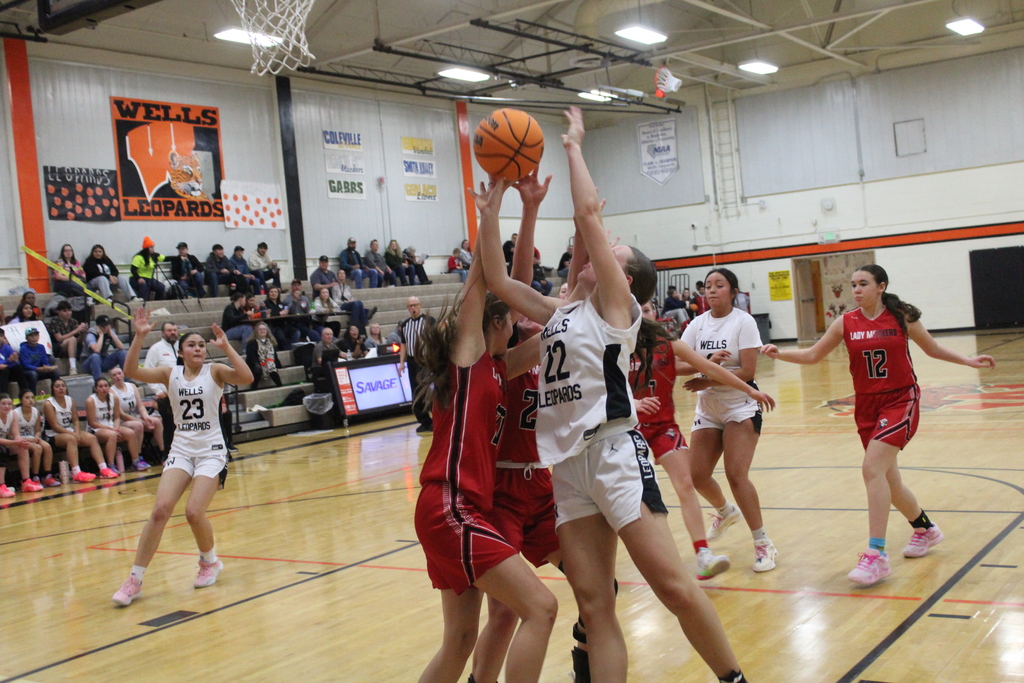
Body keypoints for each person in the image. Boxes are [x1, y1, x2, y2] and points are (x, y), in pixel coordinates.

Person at [476, 108, 772, 683]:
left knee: (671, 586)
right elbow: (499, 280)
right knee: (595, 607)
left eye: (616, 249)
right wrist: (494, 207)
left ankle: (733, 679)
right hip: (567, 467)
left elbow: (587, 213)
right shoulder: (563, 311)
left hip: (614, 453)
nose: (602, 245)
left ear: (624, 277)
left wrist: (574, 144)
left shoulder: (616, 308)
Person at [761, 264, 995, 586]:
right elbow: (813, 356)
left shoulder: (900, 316)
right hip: (866, 406)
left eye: (863, 284)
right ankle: (925, 529)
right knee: (889, 482)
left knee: (871, 469)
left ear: (881, 286)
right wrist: (779, 353)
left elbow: (933, 348)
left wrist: (969, 361)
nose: (856, 290)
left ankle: (876, 555)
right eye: (853, 285)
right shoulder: (845, 323)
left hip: (901, 400)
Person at [413, 223, 556, 683]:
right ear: (497, 322)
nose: (517, 322)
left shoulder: (500, 368)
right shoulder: (470, 361)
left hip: (461, 508)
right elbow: (480, 283)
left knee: (458, 642)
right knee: (541, 607)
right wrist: (488, 215)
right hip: (451, 506)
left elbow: (549, 332)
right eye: (511, 317)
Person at [112, 308, 253, 606]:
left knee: (192, 512)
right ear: (181, 351)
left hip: (212, 451)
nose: (198, 349)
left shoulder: (215, 371)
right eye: (192, 345)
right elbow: (131, 372)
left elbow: (246, 376)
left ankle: (209, 561)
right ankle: (135, 579)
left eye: (202, 345)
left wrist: (226, 346)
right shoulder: (170, 373)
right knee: (161, 509)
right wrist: (139, 337)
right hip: (182, 450)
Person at [681, 267, 777, 574]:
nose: (711, 290)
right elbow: (681, 362)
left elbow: (748, 371)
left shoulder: (743, 322)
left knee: (736, 475)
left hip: (741, 405)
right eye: (708, 286)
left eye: (719, 285)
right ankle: (724, 512)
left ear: (732, 291)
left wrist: (708, 378)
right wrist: (706, 367)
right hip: (709, 409)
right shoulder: (697, 324)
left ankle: (763, 543)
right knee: (697, 476)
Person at [632, 300, 731, 580]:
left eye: (649, 308)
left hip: (663, 426)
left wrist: (711, 366)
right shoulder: (617, 344)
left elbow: (679, 365)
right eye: (638, 307)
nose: (644, 312)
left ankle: (703, 554)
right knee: (631, 498)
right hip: (628, 430)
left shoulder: (666, 343)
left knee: (686, 483)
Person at [44, 378, 109, 481]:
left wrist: (77, 433)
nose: (61, 388)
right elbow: (55, 426)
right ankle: (76, 472)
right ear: (52, 389)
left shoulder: (70, 400)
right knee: (71, 439)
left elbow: (75, 420)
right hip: (53, 434)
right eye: (57, 386)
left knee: (91, 438)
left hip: (68, 431)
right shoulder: (49, 404)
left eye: (63, 386)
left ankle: (103, 468)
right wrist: (73, 434)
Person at [397, 296, 435, 433]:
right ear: (407, 308)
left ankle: (436, 420)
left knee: (428, 391)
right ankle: (424, 421)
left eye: (415, 305)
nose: (413, 308)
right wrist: (402, 363)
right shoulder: (405, 324)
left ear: (420, 305)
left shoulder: (429, 321)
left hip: (426, 360)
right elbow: (403, 345)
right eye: (410, 306)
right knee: (416, 392)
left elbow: (436, 340)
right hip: (412, 361)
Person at [87, 377, 140, 475]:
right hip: (97, 429)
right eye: (101, 386)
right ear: (95, 388)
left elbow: (116, 417)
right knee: (112, 435)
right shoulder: (91, 400)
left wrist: (116, 428)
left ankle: (136, 462)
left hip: (112, 427)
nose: (104, 388)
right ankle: (110, 465)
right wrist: (112, 430)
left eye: (106, 386)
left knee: (130, 433)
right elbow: (92, 422)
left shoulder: (114, 398)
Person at [110, 366, 160, 469]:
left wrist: (146, 417)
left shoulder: (132, 386)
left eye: (119, 373)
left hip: (135, 417)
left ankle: (163, 453)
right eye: (114, 375)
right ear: (111, 378)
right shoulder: (112, 391)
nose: (117, 376)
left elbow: (141, 407)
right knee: (138, 425)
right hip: (122, 421)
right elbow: (121, 414)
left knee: (157, 421)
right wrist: (139, 420)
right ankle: (137, 458)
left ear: (123, 374)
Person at [144, 321, 179, 454]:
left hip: (182, 394)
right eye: (169, 330)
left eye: (175, 330)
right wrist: (158, 391)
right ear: (163, 333)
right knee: (169, 426)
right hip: (166, 397)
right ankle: (168, 455)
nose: (173, 333)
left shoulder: (181, 347)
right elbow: (148, 371)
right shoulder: (156, 349)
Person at [16, 389, 58, 488]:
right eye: (27, 398)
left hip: (32, 438)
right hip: (20, 439)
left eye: (32, 398)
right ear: (21, 400)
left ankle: (47, 476)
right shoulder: (16, 413)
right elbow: (14, 435)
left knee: (47, 446)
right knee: (37, 448)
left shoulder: (36, 411)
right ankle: (35, 477)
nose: (30, 400)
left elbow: (37, 430)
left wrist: (36, 436)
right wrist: (31, 439)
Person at [0, 394, 36, 495]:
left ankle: (26, 481)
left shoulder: (13, 414)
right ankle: (1, 486)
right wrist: (16, 442)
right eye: (3, 404)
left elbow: (16, 435)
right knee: (1, 450)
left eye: (9, 404)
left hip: (5, 443)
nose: (7, 406)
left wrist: (21, 442)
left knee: (22, 448)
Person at [82, 315, 128, 382]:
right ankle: (99, 382)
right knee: (95, 356)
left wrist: (111, 334)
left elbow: (121, 347)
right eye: (103, 326)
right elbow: (96, 350)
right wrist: (101, 335)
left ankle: (128, 380)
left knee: (122, 353)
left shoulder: (109, 332)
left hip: (102, 361)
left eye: (107, 325)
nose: (105, 328)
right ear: (98, 326)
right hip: (88, 362)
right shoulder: (91, 334)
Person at [46, 300, 87, 375]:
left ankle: (73, 366)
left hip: (71, 346)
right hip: (58, 347)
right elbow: (59, 338)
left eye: (69, 310)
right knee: (72, 339)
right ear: (58, 312)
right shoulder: (55, 321)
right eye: (65, 311)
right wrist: (76, 330)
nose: (68, 313)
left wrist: (83, 333)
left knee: (73, 340)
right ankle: (73, 367)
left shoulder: (73, 322)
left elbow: (78, 341)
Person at [19, 328, 59, 393]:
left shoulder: (41, 347)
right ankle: (32, 395)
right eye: (31, 336)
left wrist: (49, 367)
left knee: (55, 372)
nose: (34, 338)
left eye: (36, 335)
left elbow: (45, 361)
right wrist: (38, 368)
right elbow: (25, 365)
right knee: (33, 374)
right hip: (29, 371)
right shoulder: (23, 349)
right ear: (26, 338)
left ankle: (55, 393)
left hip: (40, 370)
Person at [245, 322, 282, 391]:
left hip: (269, 363)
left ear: (267, 331)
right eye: (260, 329)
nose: (262, 331)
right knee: (258, 371)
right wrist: (258, 364)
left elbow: (274, 356)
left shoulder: (271, 342)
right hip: (255, 364)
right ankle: (253, 389)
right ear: (257, 331)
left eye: (264, 329)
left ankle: (280, 387)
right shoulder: (251, 343)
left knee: (272, 369)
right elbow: (251, 357)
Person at [130, 237, 166, 301]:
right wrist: (138, 278)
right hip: (136, 278)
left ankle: (158, 302)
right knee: (143, 285)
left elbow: (166, 258)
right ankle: (142, 303)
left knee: (161, 287)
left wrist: (178, 258)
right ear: (146, 248)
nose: (153, 249)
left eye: (153, 247)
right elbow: (133, 269)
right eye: (151, 247)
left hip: (149, 278)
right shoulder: (138, 257)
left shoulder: (153, 256)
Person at [0, 329, 28, 395]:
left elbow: (14, 360)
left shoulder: (7, 348)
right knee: (4, 370)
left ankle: (25, 393)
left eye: (0, 336)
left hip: (7, 371)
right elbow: (9, 360)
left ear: (3, 337)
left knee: (18, 368)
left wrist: (13, 360)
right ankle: (3, 396)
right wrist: (8, 360)